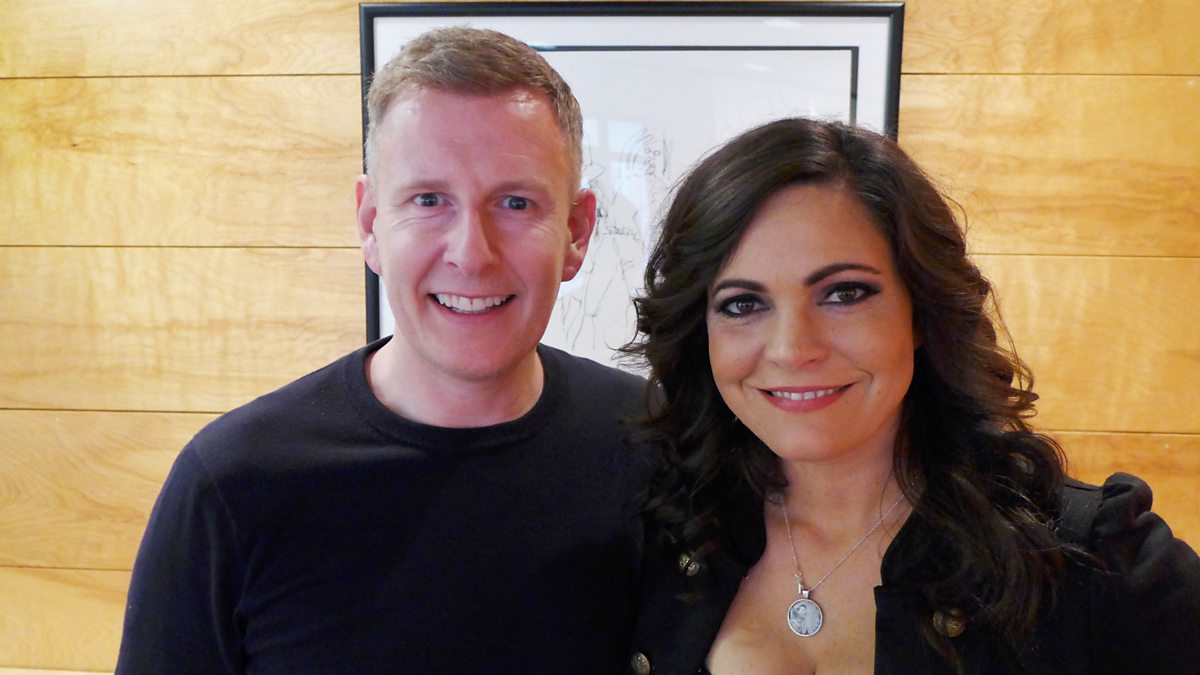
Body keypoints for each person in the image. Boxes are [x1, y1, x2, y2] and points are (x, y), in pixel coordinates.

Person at [116, 27, 653, 673]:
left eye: (515, 202)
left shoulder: (657, 444)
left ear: (576, 231)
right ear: (371, 224)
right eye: (429, 200)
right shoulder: (232, 483)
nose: (471, 254)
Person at [622, 118, 1200, 674]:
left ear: (920, 312)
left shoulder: (1096, 559)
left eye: (845, 294)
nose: (792, 350)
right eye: (743, 304)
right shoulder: (658, 530)